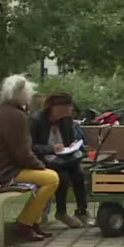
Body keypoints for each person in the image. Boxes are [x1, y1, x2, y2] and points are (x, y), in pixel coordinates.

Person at [0, 75, 59, 242]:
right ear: (23, 94)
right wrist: (39, 165)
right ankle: (25, 223)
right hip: (3, 172)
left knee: (47, 177)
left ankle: (33, 223)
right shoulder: (15, 116)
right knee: (51, 178)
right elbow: (22, 152)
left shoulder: (1, 110)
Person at [29, 92, 90, 228]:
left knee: (78, 173)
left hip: (64, 157)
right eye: (68, 107)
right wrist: (51, 149)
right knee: (62, 175)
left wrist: (73, 144)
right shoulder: (36, 121)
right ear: (57, 107)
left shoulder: (66, 120)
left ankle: (82, 211)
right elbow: (31, 146)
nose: (71, 110)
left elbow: (69, 140)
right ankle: (61, 212)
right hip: (44, 159)